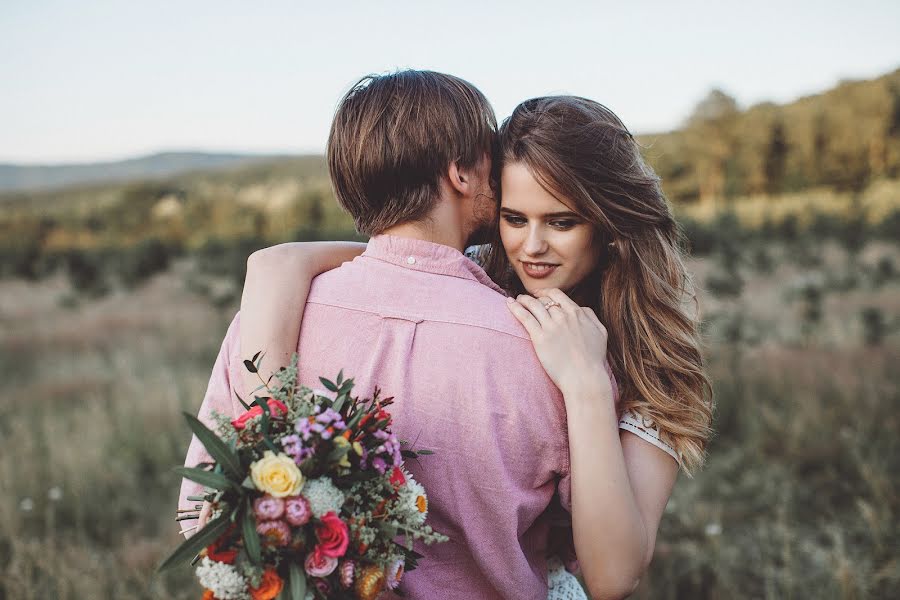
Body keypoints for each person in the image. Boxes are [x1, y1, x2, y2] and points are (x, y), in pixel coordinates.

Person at [234, 95, 714, 598]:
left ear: (608, 223)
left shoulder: (651, 352)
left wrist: (587, 386)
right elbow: (400, 258)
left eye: (562, 222)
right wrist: (284, 263)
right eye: (514, 218)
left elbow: (613, 575)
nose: (531, 247)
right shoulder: (485, 269)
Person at [181, 70, 605, 600]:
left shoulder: (268, 318)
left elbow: (201, 515)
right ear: (462, 173)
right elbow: (581, 545)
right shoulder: (550, 344)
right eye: (490, 159)